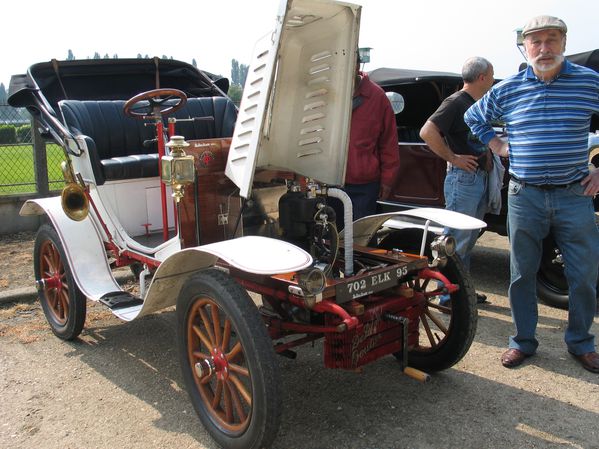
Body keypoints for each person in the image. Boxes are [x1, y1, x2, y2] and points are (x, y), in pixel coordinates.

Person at [464, 15, 599, 373]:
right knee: (522, 274)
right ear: (524, 46)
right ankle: (523, 341)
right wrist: (495, 142)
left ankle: (581, 342)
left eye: (551, 40)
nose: (544, 48)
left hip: (575, 195)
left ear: (564, 43)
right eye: (535, 41)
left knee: (584, 274)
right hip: (525, 195)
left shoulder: (588, 82)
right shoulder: (507, 90)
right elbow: (473, 116)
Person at [420, 57, 495, 304]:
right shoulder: (455, 102)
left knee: (467, 239)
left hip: (476, 178)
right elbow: (427, 131)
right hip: (464, 179)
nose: (494, 79)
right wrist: (453, 157)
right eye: (492, 74)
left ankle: (460, 292)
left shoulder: (476, 103)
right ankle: (447, 295)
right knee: (455, 241)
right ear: (482, 77)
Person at [344, 54, 400, 220]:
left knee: (360, 238)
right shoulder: (325, 94)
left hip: (364, 186)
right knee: (328, 237)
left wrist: (387, 180)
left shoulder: (377, 97)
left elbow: (388, 142)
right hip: (328, 183)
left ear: (357, 65)